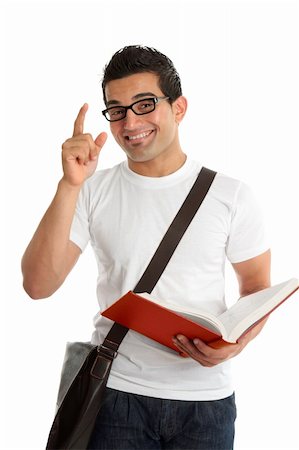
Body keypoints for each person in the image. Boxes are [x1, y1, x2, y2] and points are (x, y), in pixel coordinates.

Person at [22, 45, 271, 450]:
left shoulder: (232, 195)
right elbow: (38, 285)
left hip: (206, 403)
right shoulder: (91, 191)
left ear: (179, 108)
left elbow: (258, 288)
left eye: (145, 104)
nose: (130, 121)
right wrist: (69, 185)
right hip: (116, 396)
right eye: (117, 109)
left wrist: (236, 345)